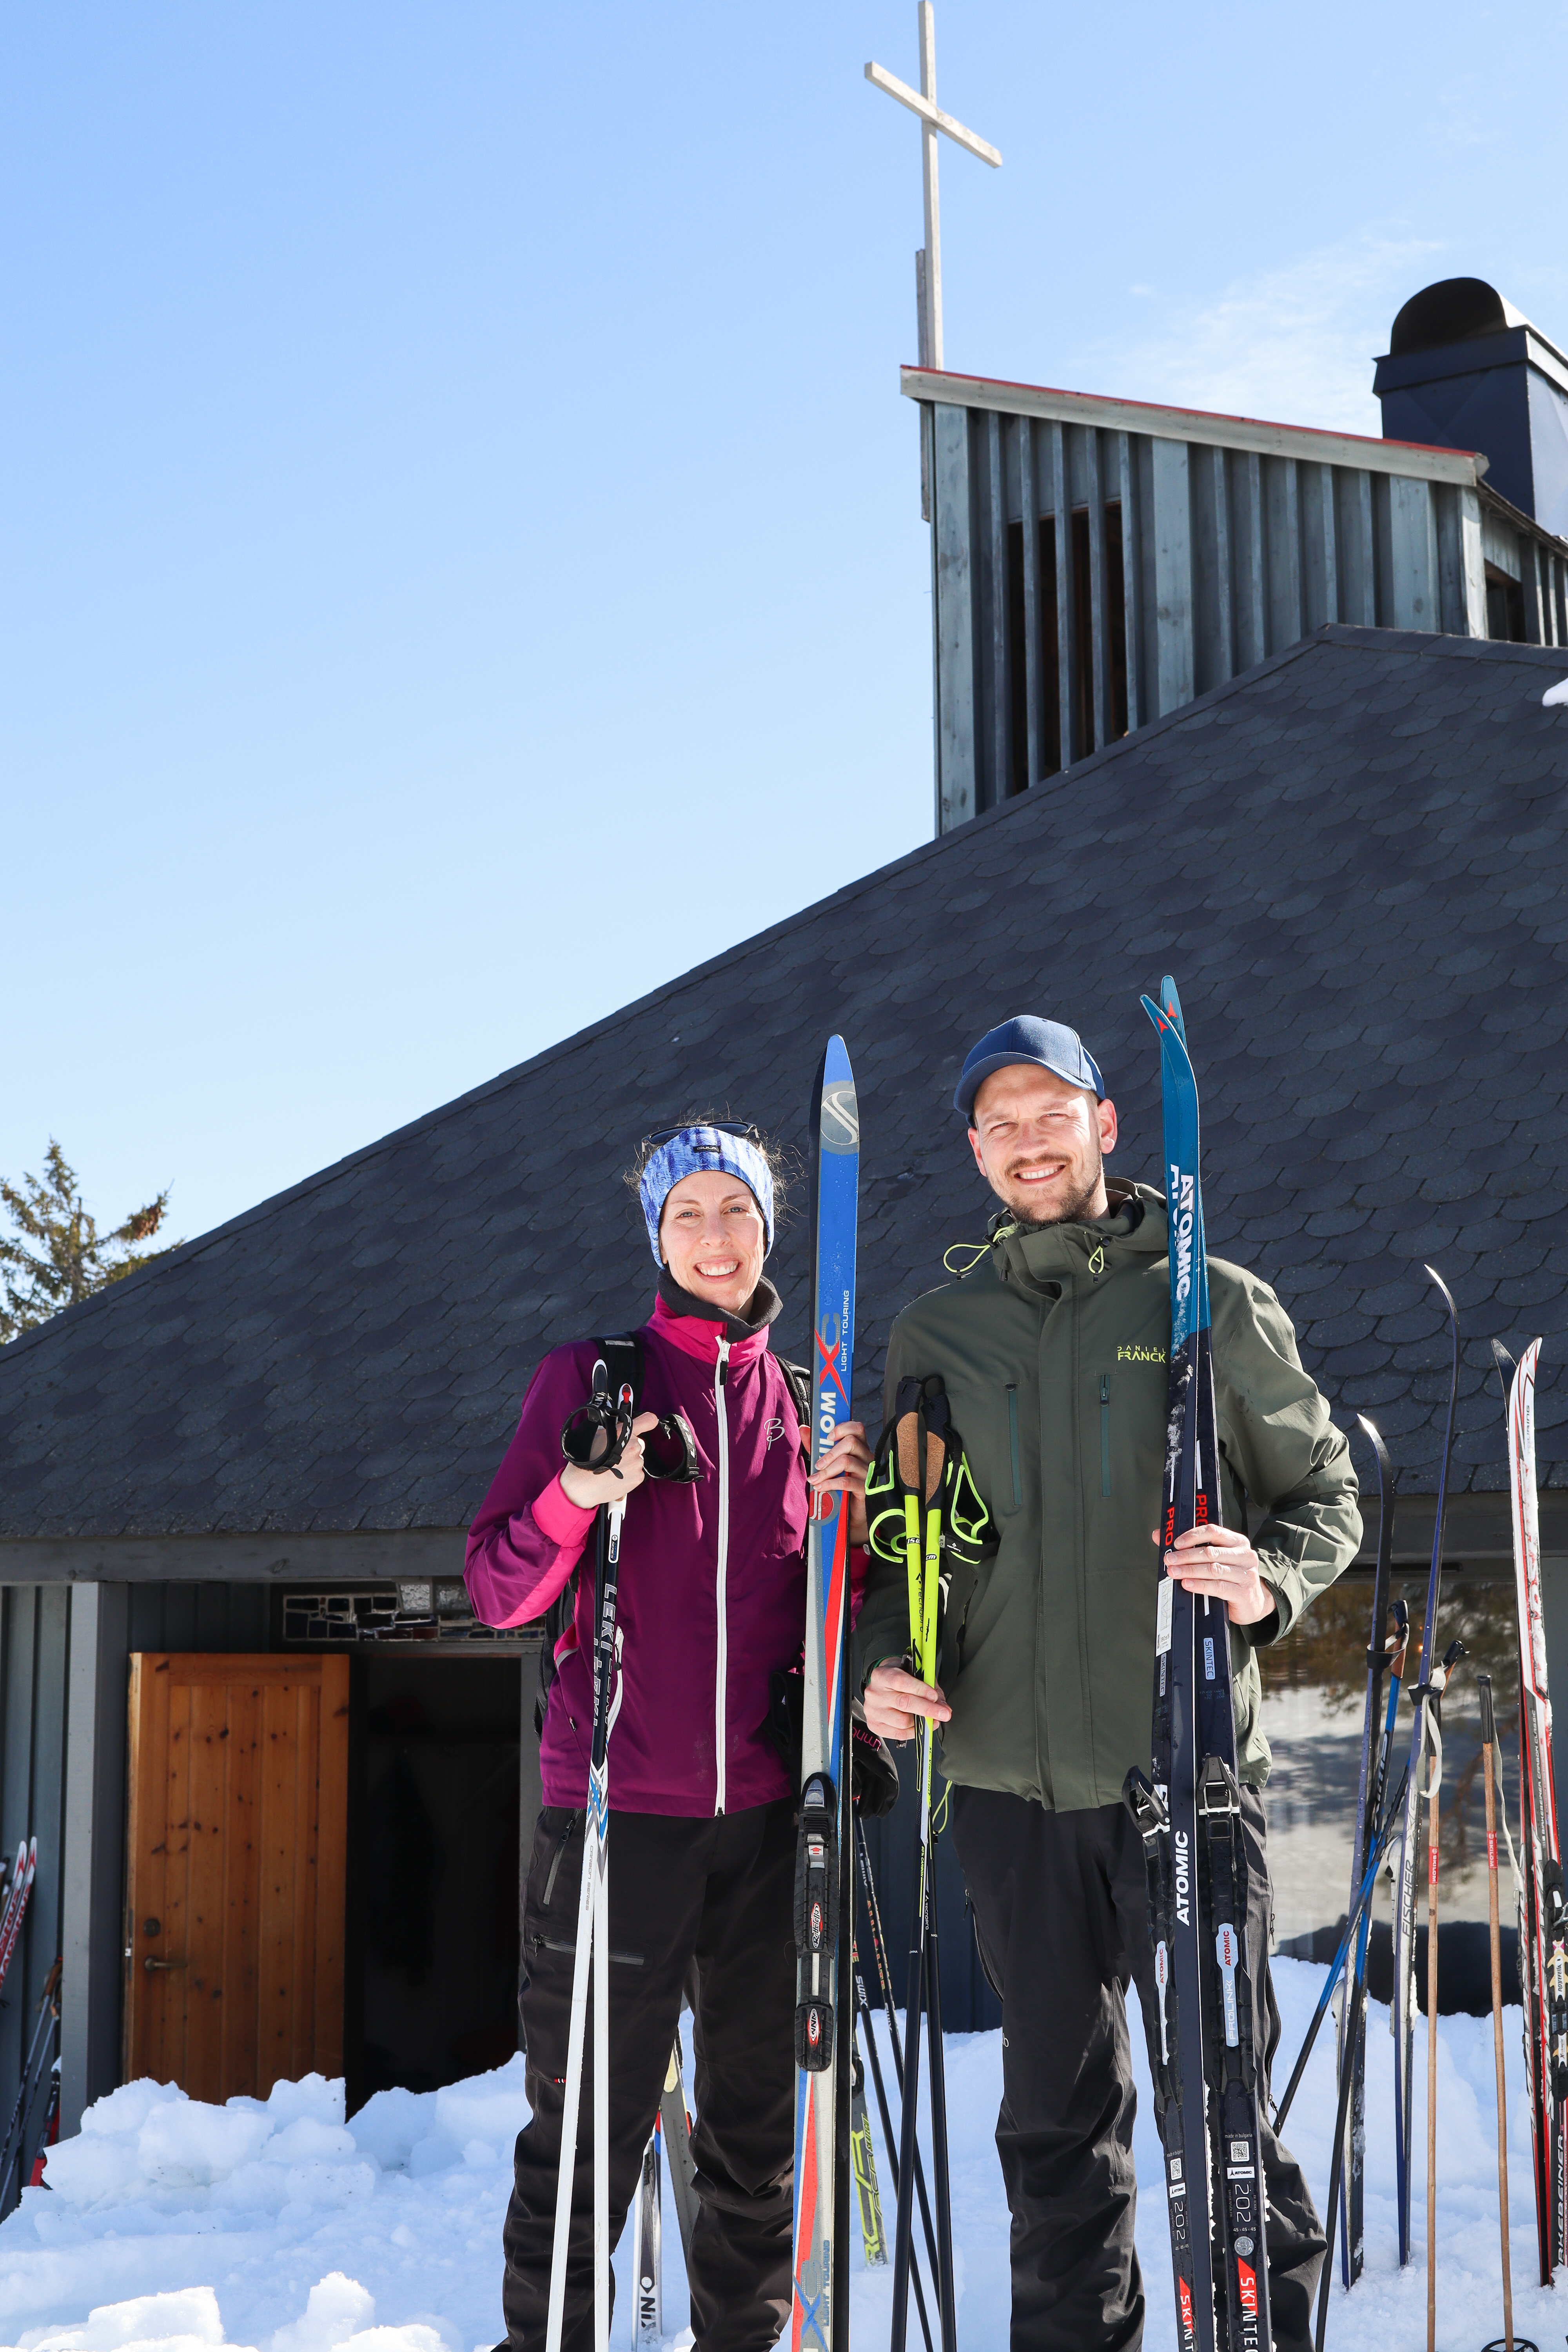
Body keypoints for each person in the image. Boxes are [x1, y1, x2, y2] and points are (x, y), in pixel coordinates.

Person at [857, 1015, 1361, 2352]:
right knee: (1054, 2129)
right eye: (1002, 1122)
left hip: (1181, 1765)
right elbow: (895, 1547)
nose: (1030, 1142)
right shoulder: (938, 1329)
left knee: (1224, 2117)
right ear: (975, 1148)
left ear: (1106, 1125)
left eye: (1052, 1112)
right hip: (1010, 1787)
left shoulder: (1209, 1299)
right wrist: (879, 1667)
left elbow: (1325, 1494)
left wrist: (1267, 1582)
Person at [465, 1120, 872, 2352]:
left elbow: (831, 1617)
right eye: (688, 1214)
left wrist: (861, 1518)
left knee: (753, 2133)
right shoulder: (592, 1380)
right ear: (657, 1235)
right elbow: (496, 1590)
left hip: (762, 1818)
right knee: (589, 2123)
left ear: (769, 1230)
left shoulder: (809, 1408)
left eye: (735, 1212)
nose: (714, 1236)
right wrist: (577, 1496)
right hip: (614, 1818)